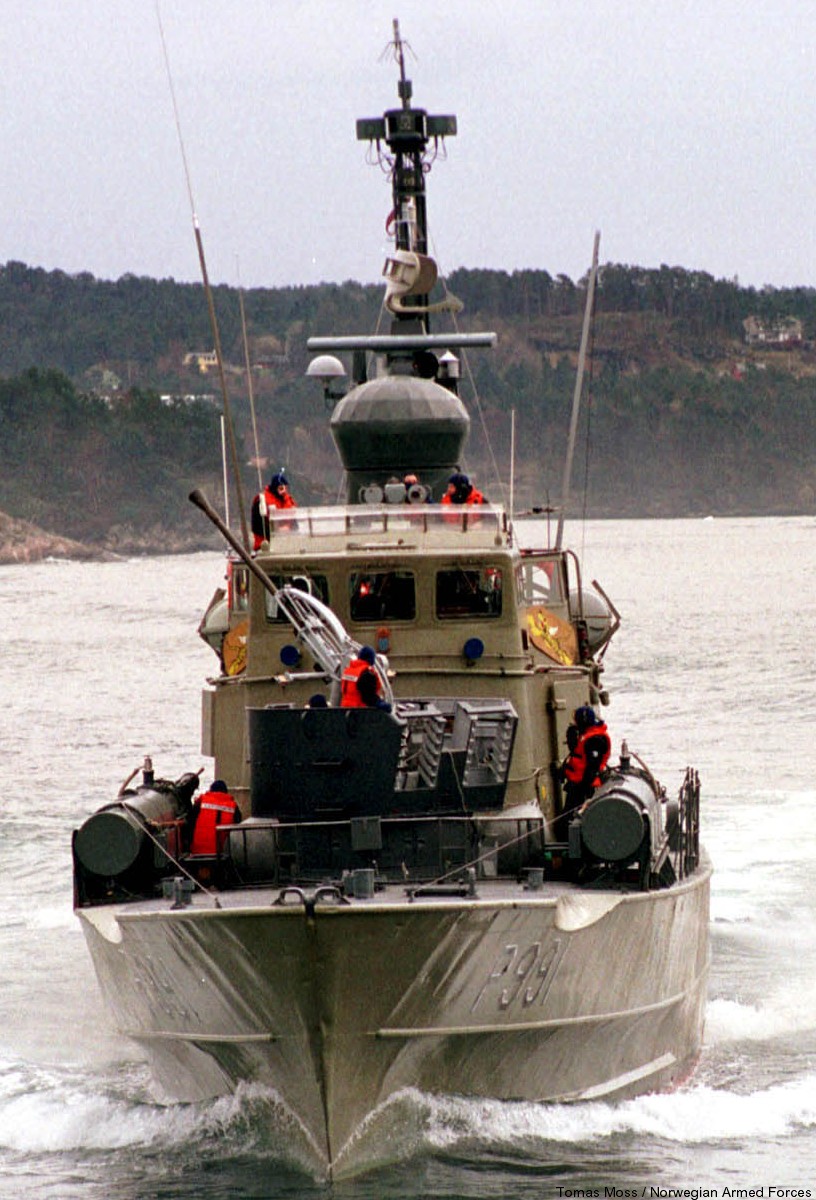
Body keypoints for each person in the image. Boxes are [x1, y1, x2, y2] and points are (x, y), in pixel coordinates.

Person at [563, 705, 611, 809]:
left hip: (585, 787)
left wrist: (583, 788)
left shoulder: (595, 739)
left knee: (568, 819)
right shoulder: (587, 735)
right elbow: (579, 756)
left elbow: (592, 767)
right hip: (577, 783)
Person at [188, 779, 241, 855]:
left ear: (211, 790)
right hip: (224, 854)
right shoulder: (233, 807)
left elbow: (190, 822)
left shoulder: (201, 802)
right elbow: (238, 830)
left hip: (199, 852)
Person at [251, 472, 296, 549]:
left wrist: (290, 531)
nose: (284, 491)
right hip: (265, 546)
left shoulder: (290, 501)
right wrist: (276, 532)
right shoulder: (261, 501)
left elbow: (295, 523)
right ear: (275, 488)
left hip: (287, 544)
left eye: (286, 488)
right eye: (281, 488)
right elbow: (257, 526)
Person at [340, 645, 390, 710]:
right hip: (360, 711)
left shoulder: (348, 670)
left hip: (344, 709)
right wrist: (380, 703)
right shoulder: (367, 673)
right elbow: (368, 697)